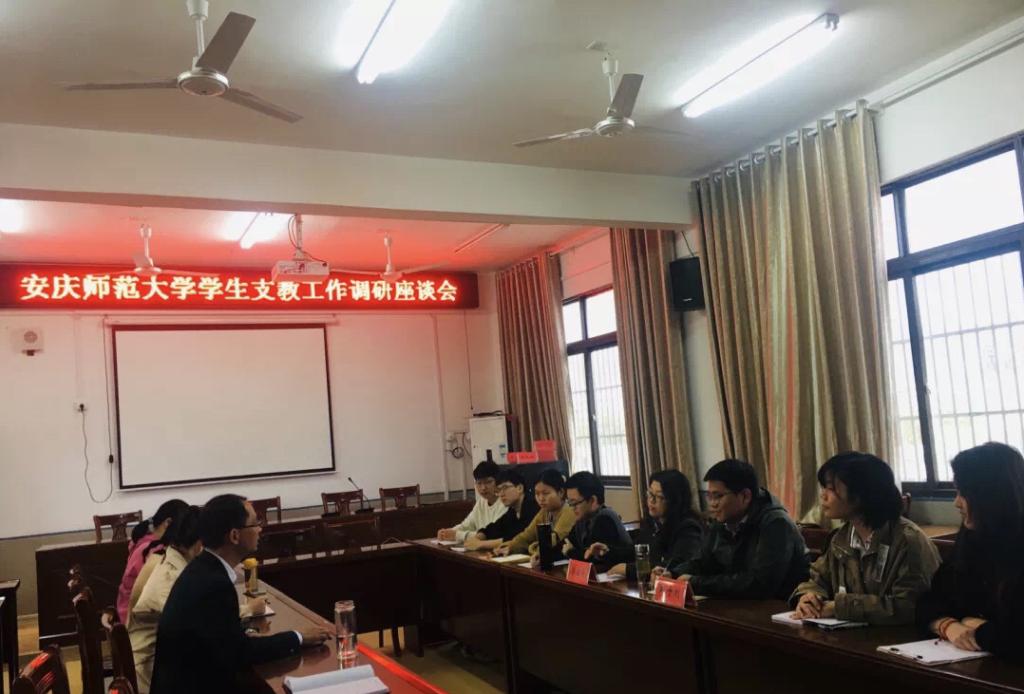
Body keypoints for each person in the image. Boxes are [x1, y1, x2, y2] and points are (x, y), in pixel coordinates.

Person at [150, 494, 329, 694]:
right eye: (255, 523)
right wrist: (298, 637)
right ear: (235, 536)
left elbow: (222, 639)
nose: (260, 529)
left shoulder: (202, 568)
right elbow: (240, 653)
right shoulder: (214, 584)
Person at [790, 452, 940, 625]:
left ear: (860, 494)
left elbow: (909, 606)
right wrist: (810, 597)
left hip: (898, 637)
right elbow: (817, 580)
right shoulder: (840, 538)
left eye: (831, 488)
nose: (823, 496)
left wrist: (840, 607)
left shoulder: (908, 541)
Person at [916, 442, 1024, 660]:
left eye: (963, 493)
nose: (956, 503)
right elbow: (928, 602)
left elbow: (1017, 638)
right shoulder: (972, 537)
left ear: (991, 496)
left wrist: (977, 628)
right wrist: (948, 625)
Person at [669, 459, 809, 599]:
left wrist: (696, 583)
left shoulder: (776, 523)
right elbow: (704, 562)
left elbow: (760, 584)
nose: (712, 504)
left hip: (779, 606)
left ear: (745, 496)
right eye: (709, 496)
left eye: (718, 496)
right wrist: (673, 574)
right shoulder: (722, 520)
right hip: (740, 603)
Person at [129, 506, 205, 694]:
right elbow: (198, 621)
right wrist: (246, 610)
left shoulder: (169, 560)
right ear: (200, 545)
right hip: (149, 673)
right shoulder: (170, 577)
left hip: (157, 663)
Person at [608, 469, 704, 579]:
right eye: (650, 494)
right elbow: (635, 550)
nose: (651, 500)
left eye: (659, 496)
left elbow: (675, 565)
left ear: (675, 500)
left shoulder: (688, 528)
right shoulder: (653, 522)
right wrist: (607, 551)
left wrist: (630, 569)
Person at [117, 499, 188, 622]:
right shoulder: (153, 550)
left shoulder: (144, 541)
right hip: (134, 618)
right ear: (168, 523)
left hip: (128, 610)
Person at [494, 469, 575, 560]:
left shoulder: (570, 510)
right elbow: (527, 535)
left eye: (545, 493)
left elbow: (553, 542)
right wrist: (510, 547)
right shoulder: (545, 511)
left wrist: (532, 547)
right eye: (537, 494)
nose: (541, 498)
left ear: (561, 492)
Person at [561, 471, 633, 571]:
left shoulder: (605, 519)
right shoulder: (583, 519)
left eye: (575, 503)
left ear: (593, 501)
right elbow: (566, 544)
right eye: (569, 503)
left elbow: (592, 558)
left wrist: (570, 552)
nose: (572, 508)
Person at [464, 468, 539, 551]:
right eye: (499, 490)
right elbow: (495, 528)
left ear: (520, 488)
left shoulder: (533, 506)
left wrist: (481, 544)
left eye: (505, 487)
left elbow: (517, 538)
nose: (501, 494)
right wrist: (477, 538)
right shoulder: (512, 510)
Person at [437, 460, 507, 542]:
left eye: (488, 482)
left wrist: (457, 535)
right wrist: (448, 532)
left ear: (498, 481)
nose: (483, 488)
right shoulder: (481, 502)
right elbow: (467, 525)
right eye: (479, 483)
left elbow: (493, 535)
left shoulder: (506, 502)